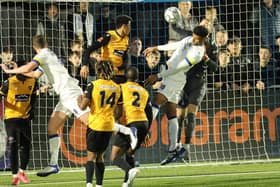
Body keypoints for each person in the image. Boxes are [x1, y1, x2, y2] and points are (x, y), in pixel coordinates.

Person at [0, 35, 137, 177]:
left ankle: (128, 131)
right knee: (52, 127)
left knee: (92, 121)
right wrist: (17, 71)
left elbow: (29, 67)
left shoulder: (43, 55)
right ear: (45, 43)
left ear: (34, 47)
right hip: (64, 95)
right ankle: (53, 164)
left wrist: (9, 71)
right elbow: (34, 74)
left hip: (70, 93)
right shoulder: (48, 55)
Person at [143, 26, 209, 165]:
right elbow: (174, 45)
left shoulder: (198, 53)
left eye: (198, 39)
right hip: (171, 76)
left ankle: (143, 130)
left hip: (175, 77)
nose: (195, 40)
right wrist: (156, 47)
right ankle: (173, 150)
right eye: (194, 37)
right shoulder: (188, 39)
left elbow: (179, 67)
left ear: (203, 39)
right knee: (171, 113)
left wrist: (158, 75)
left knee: (156, 101)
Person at [77, 61, 121, 187]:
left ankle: (89, 184)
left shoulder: (93, 85)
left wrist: (79, 98)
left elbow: (82, 106)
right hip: (108, 126)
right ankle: (99, 185)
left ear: (98, 71)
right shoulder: (117, 87)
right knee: (100, 156)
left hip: (95, 124)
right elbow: (119, 112)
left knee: (90, 156)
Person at [111, 66, 150, 187]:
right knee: (129, 153)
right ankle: (127, 183)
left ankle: (129, 171)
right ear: (137, 77)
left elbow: (118, 110)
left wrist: (116, 122)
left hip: (130, 124)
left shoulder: (121, 88)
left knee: (114, 157)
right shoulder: (144, 91)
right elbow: (149, 113)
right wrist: (147, 131)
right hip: (143, 123)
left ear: (125, 76)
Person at [0, 64, 38, 185]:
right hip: (11, 118)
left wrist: (32, 110)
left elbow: (33, 96)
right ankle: (15, 175)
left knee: (26, 146)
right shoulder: (9, 82)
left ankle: (21, 171)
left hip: (24, 118)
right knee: (13, 145)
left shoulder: (33, 81)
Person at [81, 15, 132, 84]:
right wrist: (84, 65)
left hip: (120, 75)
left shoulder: (126, 39)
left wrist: (119, 68)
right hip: (107, 75)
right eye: (129, 26)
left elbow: (126, 57)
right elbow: (89, 49)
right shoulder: (109, 36)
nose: (130, 28)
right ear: (124, 26)